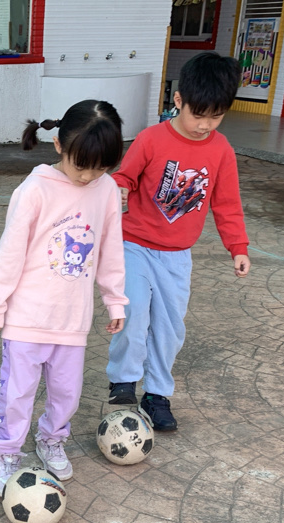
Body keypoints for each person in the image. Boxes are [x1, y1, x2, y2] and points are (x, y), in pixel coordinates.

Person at [0, 100, 128, 497]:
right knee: (17, 395)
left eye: (101, 168)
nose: (89, 176)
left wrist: (115, 299)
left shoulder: (106, 190)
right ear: (60, 145)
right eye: (82, 166)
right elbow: (9, 253)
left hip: (71, 320)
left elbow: (110, 249)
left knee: (67, 394)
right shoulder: (34, 190)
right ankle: (8, 452)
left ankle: (51, 439)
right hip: (26, 318)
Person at [106, 51, 250, 432]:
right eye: (198, 114)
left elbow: (227, 203)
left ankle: (156, 394)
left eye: (216, 117)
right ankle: (123, 381)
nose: (205, 125)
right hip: (134, 245)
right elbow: (125, 176)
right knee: (133, 310)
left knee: (170, 328)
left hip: (177, 256)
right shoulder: (151, 139)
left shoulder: (221, 151)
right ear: (178, 100)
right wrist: (120, 188)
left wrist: (238, 247)